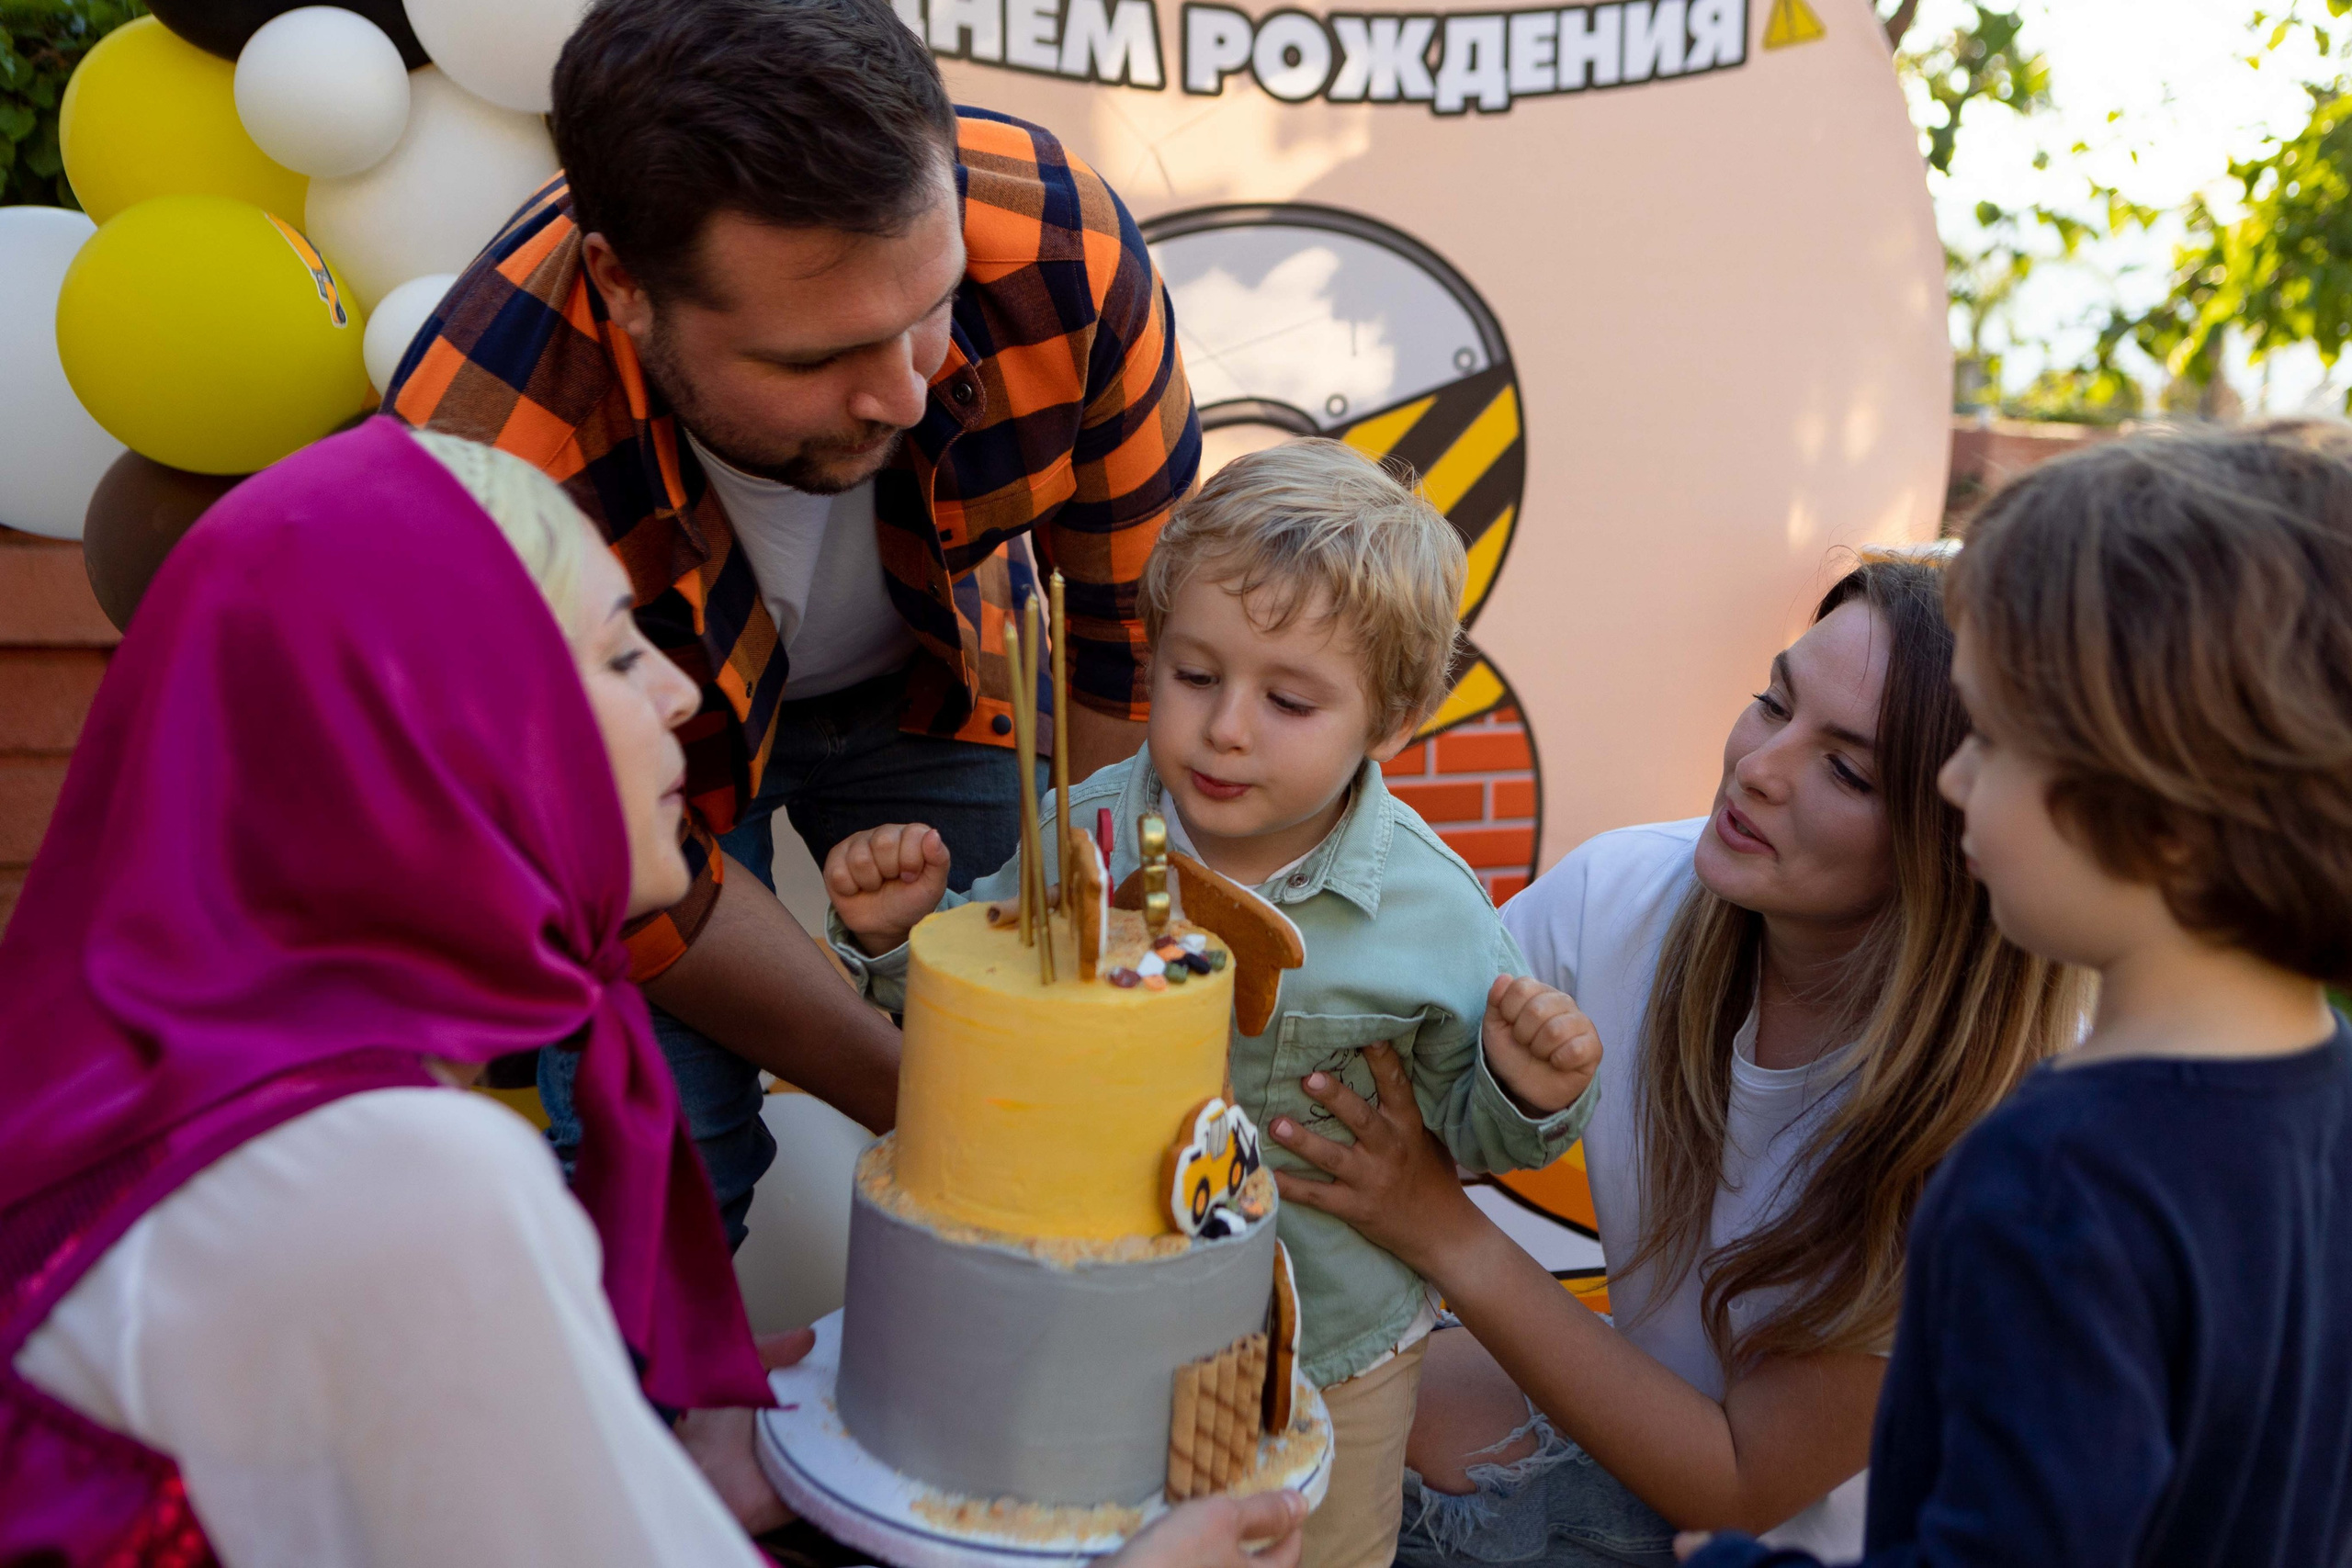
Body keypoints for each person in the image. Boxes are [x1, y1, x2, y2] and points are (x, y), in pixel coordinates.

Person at [0, 419, 1313, 1568]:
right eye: (620, 655)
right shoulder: (398, 1171)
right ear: (451, 725)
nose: (684, 692)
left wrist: (668, 1476)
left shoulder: (199, 1088)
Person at [385, 0, 1202, 1243]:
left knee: (1057, 1042)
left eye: (926, 307)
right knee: (665, 1177)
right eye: (813, 357)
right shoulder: (486, 456)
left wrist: (1082, 953)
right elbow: (644, 885)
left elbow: (1130, 651)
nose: (903, 390)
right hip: (664, 776)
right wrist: (927, 1099)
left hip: (942, 680)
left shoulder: (1054, 244)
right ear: (625, 283)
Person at [823, 440, 1603, 1568]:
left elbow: (1468, 1138)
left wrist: (1525, 1090)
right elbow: (985, 1020)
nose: (1226, 727)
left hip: (1331, 1347)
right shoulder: (1077, 835)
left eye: (1289, 700)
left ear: (1389, 723)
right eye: (1193, 677)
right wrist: (898, 945)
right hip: (1087, 1333)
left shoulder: (1434, 912)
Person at [1267, 554, 2087, 1564]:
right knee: (1322, 1412)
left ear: (1960, 835)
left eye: (1845, 768)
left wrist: (1451, 1235)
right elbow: (1368, 1109)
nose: (1758, 767)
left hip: (1809, 1537)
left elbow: (1741, 1484)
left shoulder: (2009, 1117)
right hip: (1658, 1438)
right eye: (1772, 702)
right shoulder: (1622, 896)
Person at [1683, 426, 2352, 1566]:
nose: (1946, 782)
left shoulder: (2050, 1184)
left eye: (1990, 740)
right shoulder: (2320, 1092)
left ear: (2163, 816)